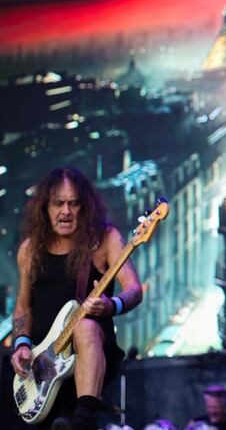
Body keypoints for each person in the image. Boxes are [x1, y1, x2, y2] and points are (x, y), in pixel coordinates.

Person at [10, 167, 143, 430]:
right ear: (45, 207)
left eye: (74, 203)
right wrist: (21, 344)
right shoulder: (29, 249)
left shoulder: (104, 239)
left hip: (91, 350)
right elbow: (23, 306)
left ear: (86, 207)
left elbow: (134, 289)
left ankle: (83, 418)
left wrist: (110, 305)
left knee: (84, 325)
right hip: (45, 362)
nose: (66, 211)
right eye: (58, 203)